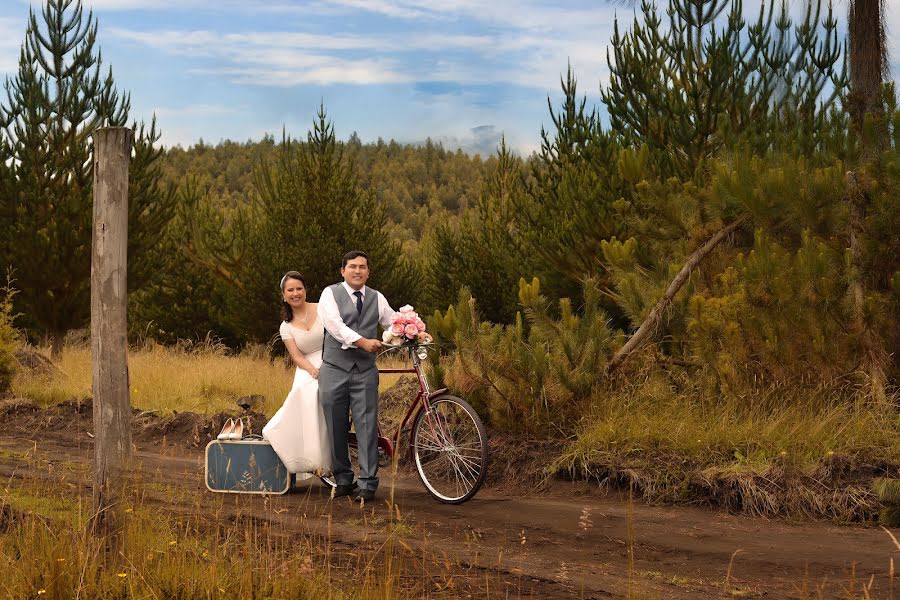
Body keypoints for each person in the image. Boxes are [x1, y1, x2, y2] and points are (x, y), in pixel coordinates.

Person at [318, 250, 395, 502]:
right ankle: (342, 478)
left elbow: (393, 322)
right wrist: (362, 341)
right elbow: (335, 327)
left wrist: (416, 331)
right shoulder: (330, 293)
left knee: (366, 425)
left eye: (363, 267)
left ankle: (368, 483)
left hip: (364, 371)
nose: (358, 271)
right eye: (352, 266)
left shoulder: (376, 297)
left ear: (368, 272)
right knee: (336, 424)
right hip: (334, 369)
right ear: (343, 270)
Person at [262, 271, 332, 478]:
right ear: (284, 295)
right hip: (307, 366)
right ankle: (309, 457)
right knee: (306, 393)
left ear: (305, 290)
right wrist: (312, 371)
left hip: (330, 357)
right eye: (290, 290)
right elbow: (296, 356)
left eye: (299, 288)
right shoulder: (286, 326)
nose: (295, 293)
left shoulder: (322, 308)